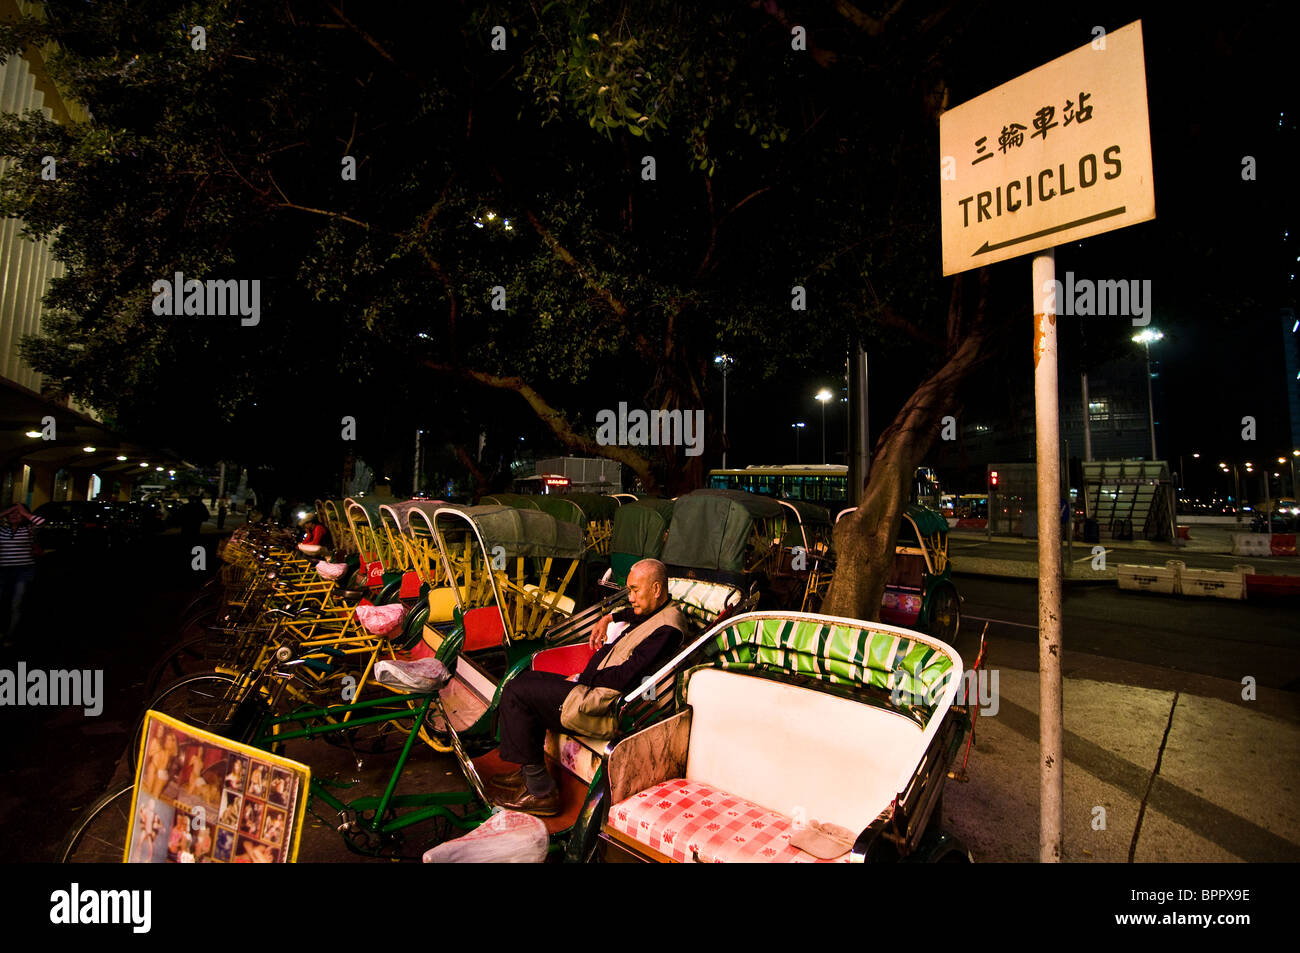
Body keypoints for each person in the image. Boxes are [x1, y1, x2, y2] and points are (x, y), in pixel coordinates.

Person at [486, 558, 687, 816]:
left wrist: (582, 679)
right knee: (521, 682)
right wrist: (609, 617)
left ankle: (540, 791)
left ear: (657, 589)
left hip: (599, 705)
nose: (631, 598)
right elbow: (633, 613)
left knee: (518, 694)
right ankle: (528, 771)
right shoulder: (657, 611)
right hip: (589, 690)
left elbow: (628, 676)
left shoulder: (668, 630)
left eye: (635, 590)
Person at [0, 502, 44, 646]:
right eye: (11, 513)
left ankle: (9, 635)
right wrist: (10, 509)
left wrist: (24, 512)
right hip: (3, 571)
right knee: (2, 602)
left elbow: (41, 522)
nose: (14, 515)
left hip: (23, 570)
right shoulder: (3, 531)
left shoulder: (29, 530)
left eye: (17, 513)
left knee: (16, 603)